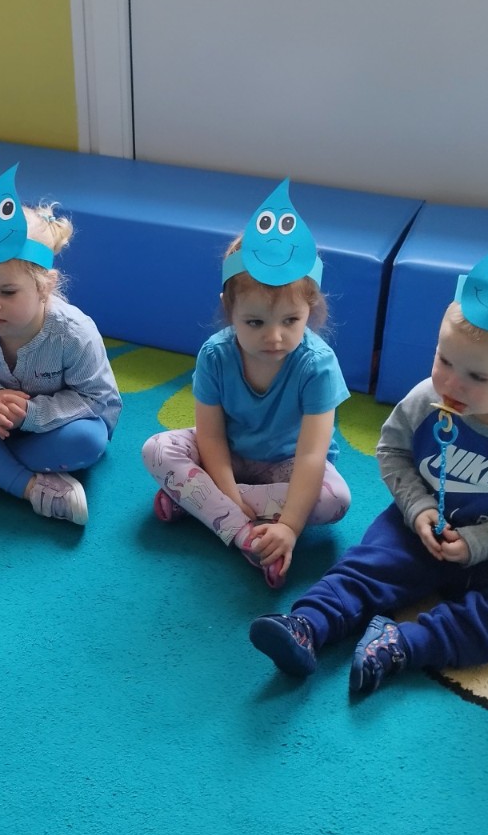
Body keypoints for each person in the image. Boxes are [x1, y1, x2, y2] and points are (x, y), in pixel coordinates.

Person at [249, 227, 488, 696]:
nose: (451, 383)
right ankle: (308, 624)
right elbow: (392, 451)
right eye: (444, 360)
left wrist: (482, 542)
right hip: (415, 526)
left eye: (477, 376)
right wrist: (418, 507)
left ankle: (401, 645)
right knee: (365, 567)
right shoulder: (426, 399)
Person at [142, 180, 351, 587]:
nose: (274, 337)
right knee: (155, 449)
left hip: (286, 465)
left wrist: (289, 527)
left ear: (309, 309)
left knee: (335, 499)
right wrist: (232, 498)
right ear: (229, 309)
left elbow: (312, 456)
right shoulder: (215, 355)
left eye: (290, 321)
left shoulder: (318, 365)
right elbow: (210, 436)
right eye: (255, 322)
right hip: (227, 455)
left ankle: (196, 501)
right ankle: (242, 532)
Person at [0, 164, 120, 526]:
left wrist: (30, 414)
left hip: (55, 430)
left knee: (88, 440)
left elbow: (99, 400)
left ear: (45, 286)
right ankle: (30, 487)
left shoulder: (74, 333)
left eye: (7, 292)